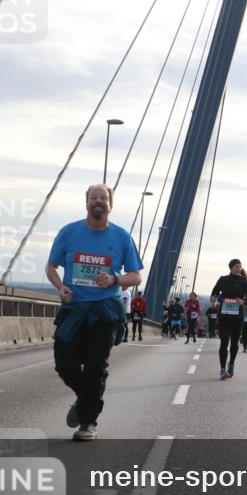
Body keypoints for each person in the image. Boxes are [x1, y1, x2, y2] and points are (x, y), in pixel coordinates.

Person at [45, 184, 143, 441]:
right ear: (86, 203)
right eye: (94, 197)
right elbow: (51, 266)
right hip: (73, 309)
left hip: (104, 312)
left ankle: (88, 421)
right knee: (64, 364)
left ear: (111, 205)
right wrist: (60, 286)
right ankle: (86, 400)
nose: (98, 201)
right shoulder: (68, 232)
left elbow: (135, 276)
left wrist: (113, 279)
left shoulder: (122, 237)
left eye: (103, 198)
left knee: (95, 368)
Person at [211, 259, 247, 379]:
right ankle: (222, 369)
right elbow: (214, 292)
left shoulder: (243, 282)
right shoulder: (223, 279)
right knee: (224, 342)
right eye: (236, 266)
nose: (239, 268)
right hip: (224, 316)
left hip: (238, 316)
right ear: (231, 267)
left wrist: (243, 301)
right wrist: (213, 299)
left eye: (240, 267)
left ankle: (231, 364)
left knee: (234, 343)